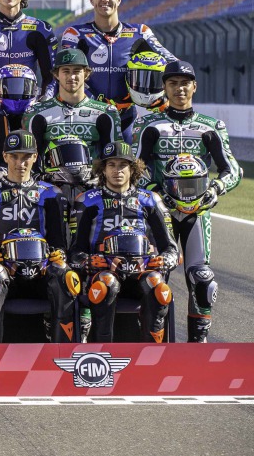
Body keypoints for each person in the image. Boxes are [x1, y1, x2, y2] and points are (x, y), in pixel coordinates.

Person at [132, 60, 241, 342]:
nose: (179, 89)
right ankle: (152, 344)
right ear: (164, 88)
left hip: (198, 212)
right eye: (172, 83)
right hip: (159, 213)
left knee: (203, 281)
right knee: (155, 279)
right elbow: (135, 168)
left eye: (184, 83)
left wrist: (215, 190)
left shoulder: (211, 127)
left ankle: (197, 348)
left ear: (194, 86)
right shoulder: (148, 124)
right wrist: (157, 193)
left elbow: (232, 169)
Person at [0, 130, 73, 343]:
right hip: (2, 270)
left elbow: (59, 242)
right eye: (14, 156)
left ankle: (65, 352)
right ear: (5, 156)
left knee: (65, 274)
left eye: (26, 156)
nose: (20, 163)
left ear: (35, 157)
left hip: (41, 272)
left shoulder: (52, 193)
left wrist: (58, 255)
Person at [71, 142, 179, 343]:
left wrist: (164, 261)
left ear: (133, 169)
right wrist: (87, 262)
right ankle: (101, 353)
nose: (117, 170)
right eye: (111, 164)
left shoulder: (151, 200)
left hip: (143, 272)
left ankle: (153, 356)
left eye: (123, 165)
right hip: (104, 273)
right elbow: (75, 251)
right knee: (106, 284)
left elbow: (171, 248)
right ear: (103, 169)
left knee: (157, 285)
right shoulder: (87, 200)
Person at [58, 0, 177, 136]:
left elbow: (173, 64)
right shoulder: (74, 34)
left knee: (128, 161)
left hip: (126, 119)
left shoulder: (140, 32)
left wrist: (160, 96)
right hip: (85, 116)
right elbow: (60, 72)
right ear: (91, 0)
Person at [23, 48, 120, 231]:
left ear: (87, 74)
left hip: (91, 188)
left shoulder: (106, 112)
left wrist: (101, 180)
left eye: (77, 71)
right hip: (51, 189)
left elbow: (114, 154)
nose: (72, 77)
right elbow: (30, 155)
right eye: (66, 71)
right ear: (56, 74)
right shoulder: (36, 112)